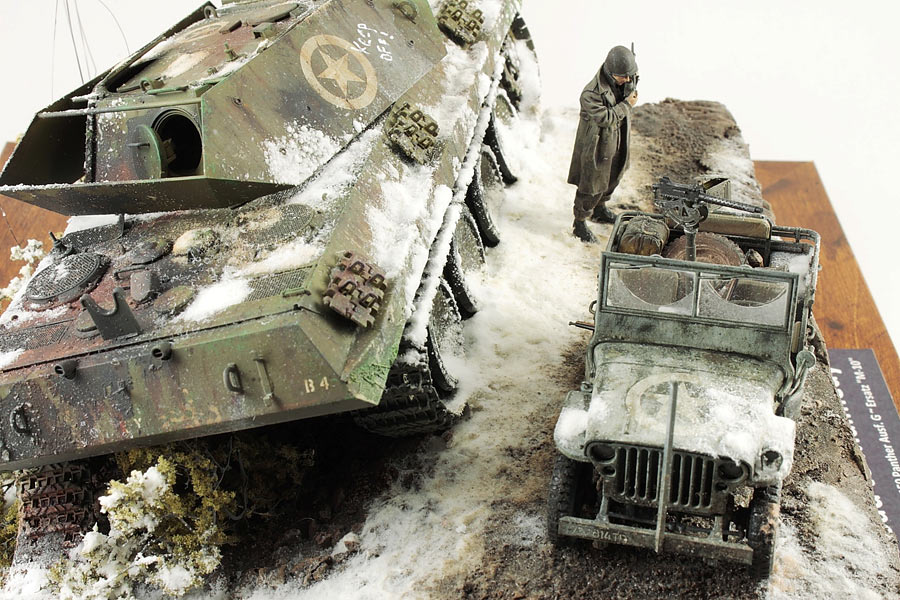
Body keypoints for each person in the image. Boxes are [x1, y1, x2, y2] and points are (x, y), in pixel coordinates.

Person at [567, 45, 638, 243]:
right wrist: (626, 105)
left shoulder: (626, 78)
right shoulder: (590, 93)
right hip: (597, 143)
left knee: (614, 175)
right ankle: (579, 222)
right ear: (610, 72)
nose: (628, 80)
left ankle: (600, 209)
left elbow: (630, 82)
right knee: (591, 183)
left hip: (618, 138)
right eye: (623, 77)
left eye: (630, 76)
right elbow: (605, 118)